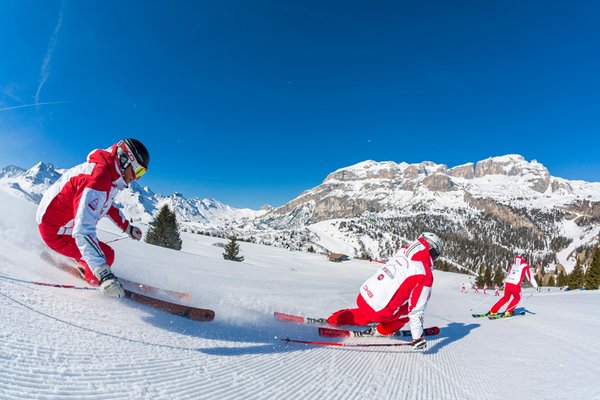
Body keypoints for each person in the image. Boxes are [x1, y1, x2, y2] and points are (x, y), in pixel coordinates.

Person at [36, 138, 150, 298]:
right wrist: (103, 274)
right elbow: (83, 230)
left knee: (103, 253)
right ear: (125, 160)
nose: (137, 178)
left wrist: (127, 227)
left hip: (60, 226)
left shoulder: (108, 175)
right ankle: (92, 278)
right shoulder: (98, 178)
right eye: (138, 171)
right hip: (55, 232)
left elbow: (108, 205)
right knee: (107, 255)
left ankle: (84, 262)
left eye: (142, 174)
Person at [326, 232, 442, 351]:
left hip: (363, 296)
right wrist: (417, 337)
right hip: (378, 311)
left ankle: (334, 319)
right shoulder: (424, 274)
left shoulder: (402, 251)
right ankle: (381, 330)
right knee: (406, 313)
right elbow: (416, 310)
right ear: (433, 251)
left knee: (367, 311)